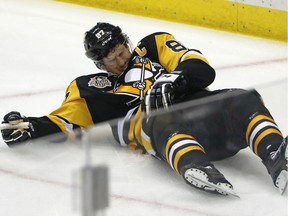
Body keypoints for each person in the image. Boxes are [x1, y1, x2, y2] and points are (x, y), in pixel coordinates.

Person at [1, 23, 287, 196]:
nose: (120, 60)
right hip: (161, 131)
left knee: (242, 98)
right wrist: (30, 127)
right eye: (111, 59)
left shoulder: (154, 46)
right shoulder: (92, 88)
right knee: (155, 118)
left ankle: (276, 154)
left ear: (127, 42)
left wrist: (175, 79)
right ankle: (194, 165)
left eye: (122, 51)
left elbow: (201, 68)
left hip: (208, 123)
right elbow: (63, 122)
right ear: (99, 64)